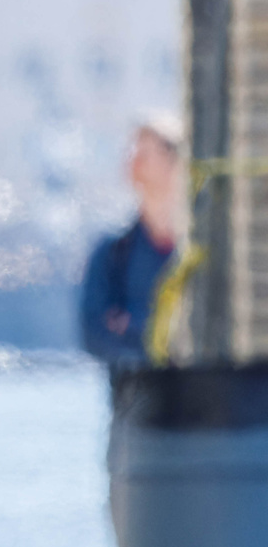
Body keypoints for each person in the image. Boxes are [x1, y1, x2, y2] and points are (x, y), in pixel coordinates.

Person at [79, 113, 186, 370]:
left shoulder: (199, 250)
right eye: (133, 152)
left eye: (147, 154)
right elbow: (93, 334)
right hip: (136, 398)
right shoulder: (114, 251)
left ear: (176, 163)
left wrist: (132, 325)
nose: (134, 161)